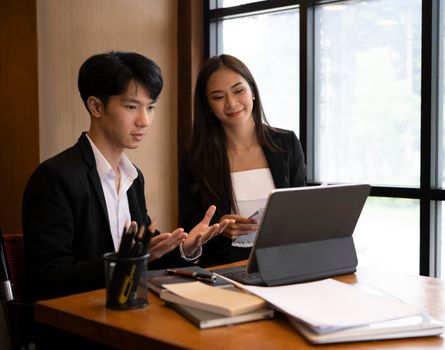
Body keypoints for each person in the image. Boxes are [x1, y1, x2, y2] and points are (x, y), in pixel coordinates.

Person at [22, 51, 233, 301]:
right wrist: (128, 261)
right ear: (96, 106)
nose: (144, 121)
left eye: (150, 107)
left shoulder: (133, 177)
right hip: (78, 322)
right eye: (132, 106)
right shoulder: (54, 178)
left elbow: (147, 257)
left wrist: (185, 248)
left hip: (127, 310)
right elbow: (48, 279)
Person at [180, 54, 307, 267]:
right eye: (218, 97)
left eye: (239, 91)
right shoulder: (196, 157)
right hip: (223, 267)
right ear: (208, 105)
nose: (231, 103)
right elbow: (190, 229)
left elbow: (301, 211)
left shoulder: (287, 144)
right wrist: (219, 229)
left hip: (284, 262)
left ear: (253, 91)